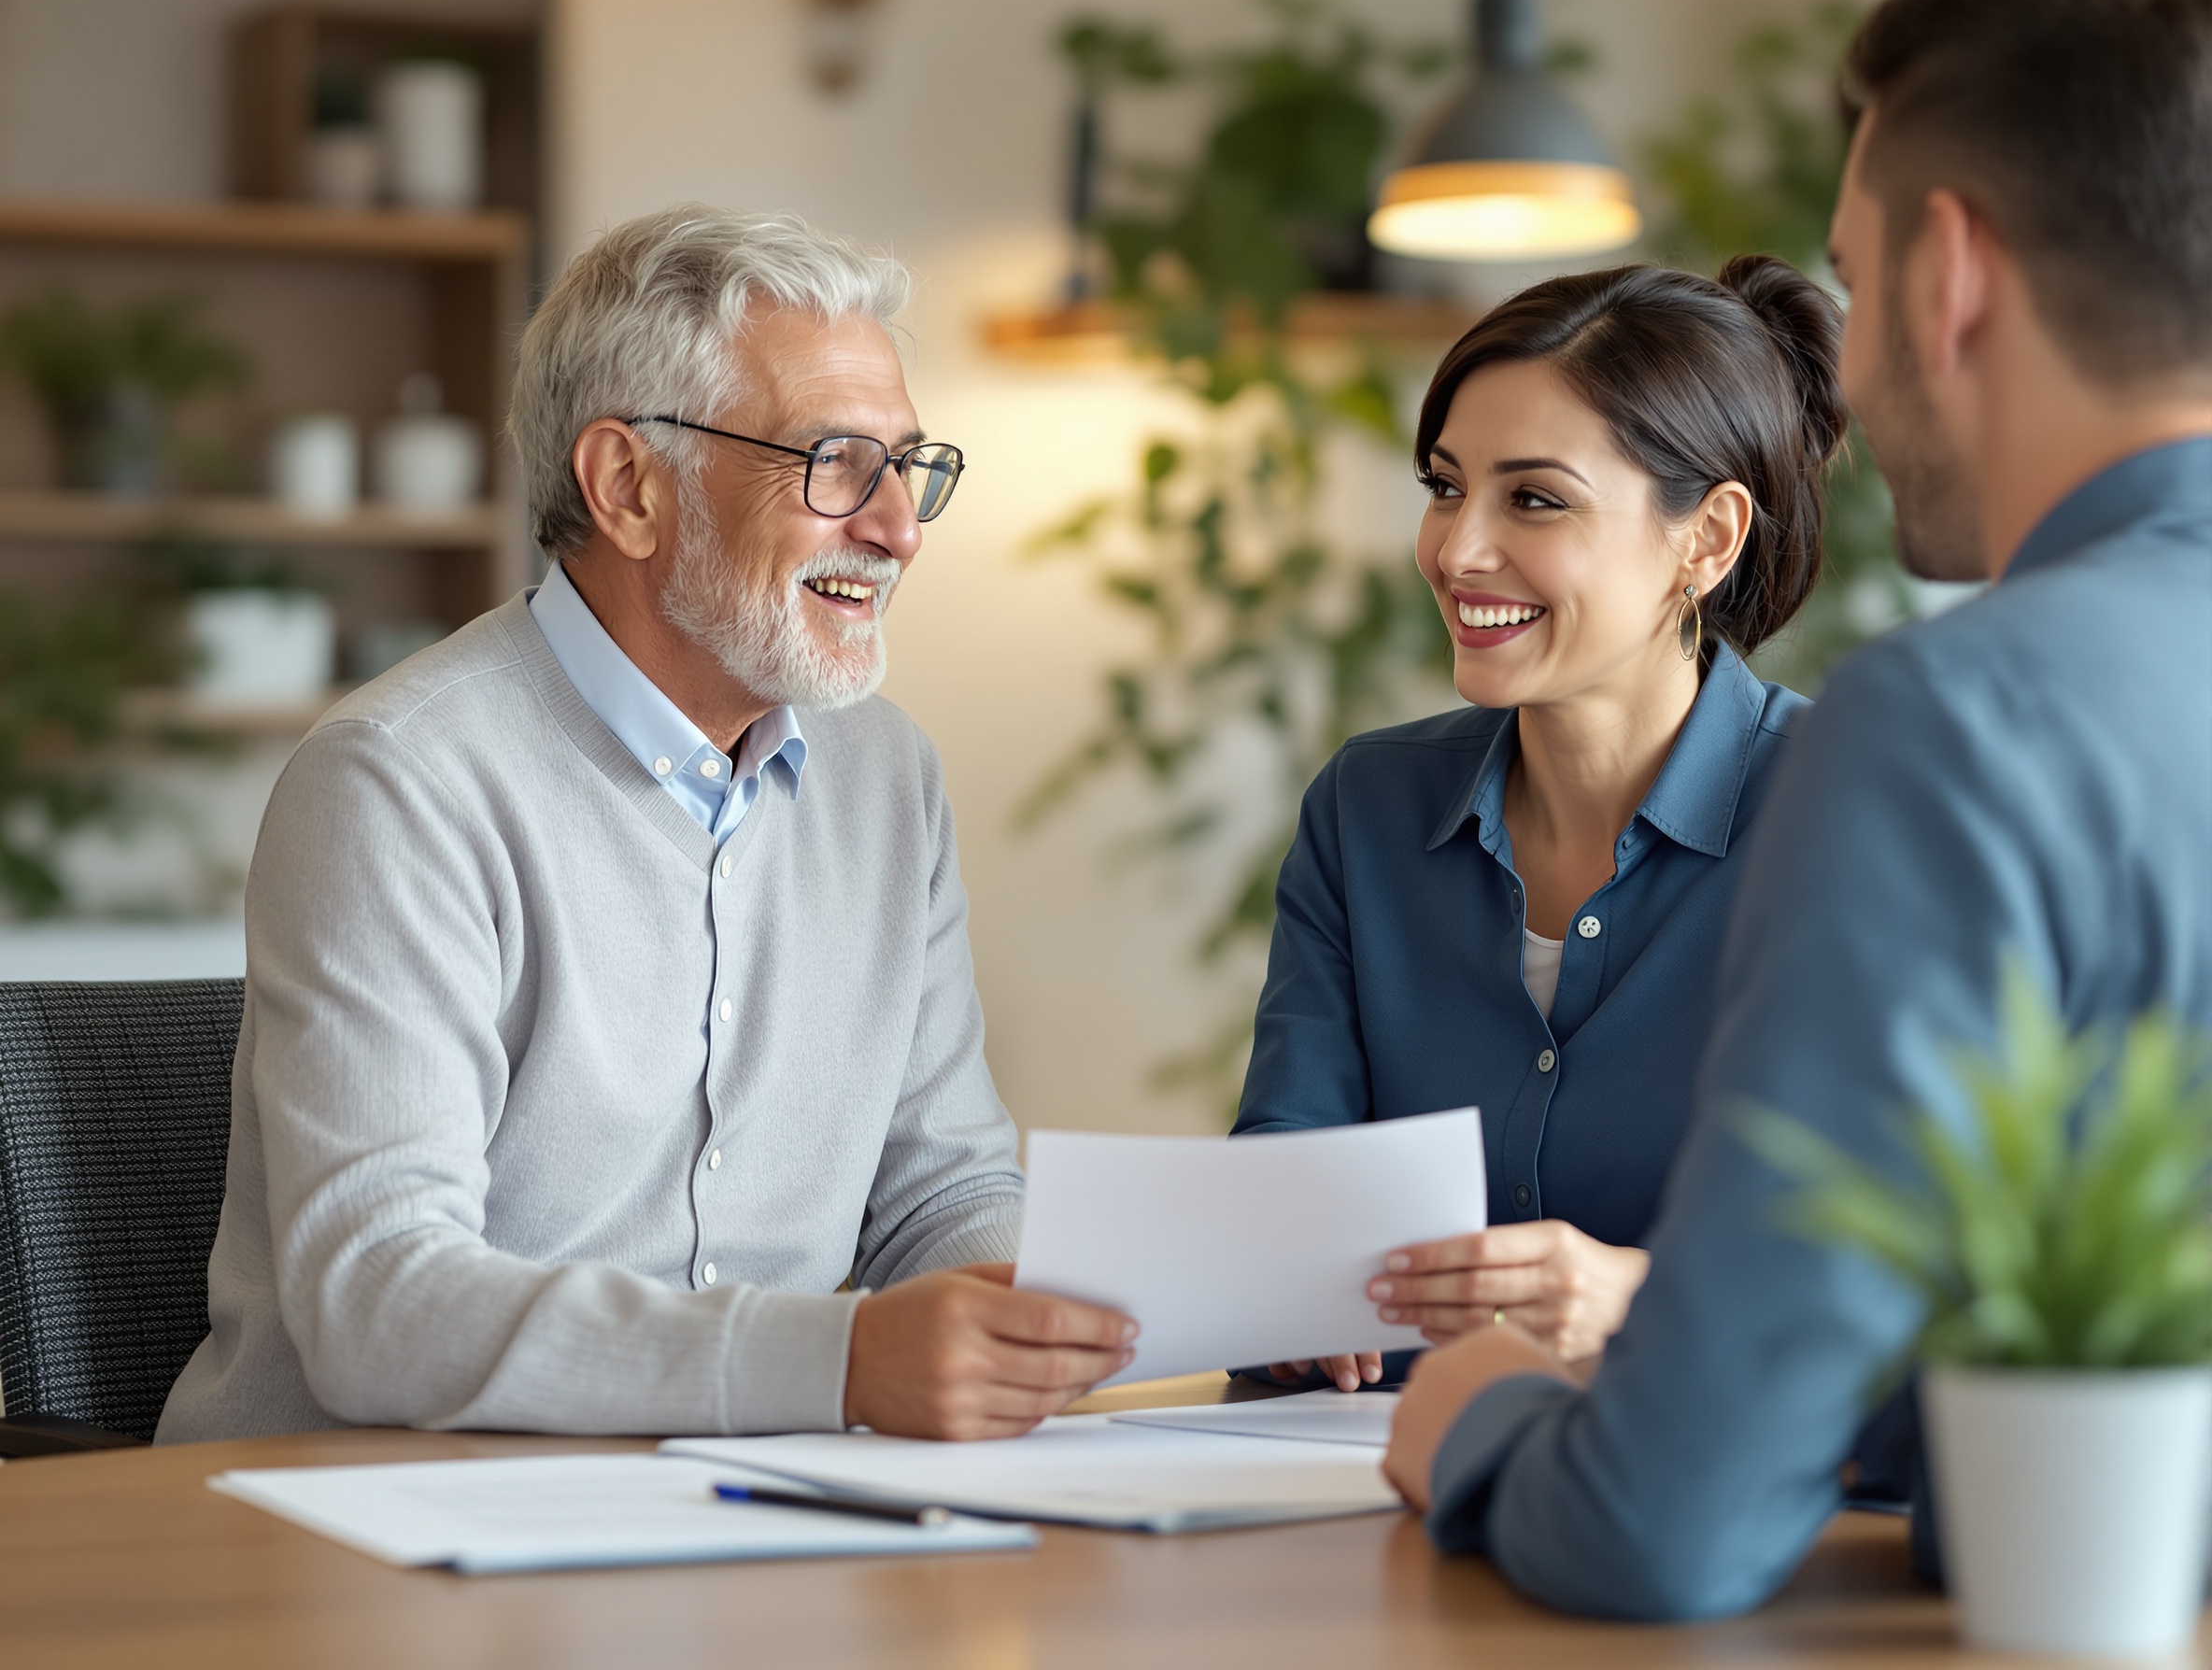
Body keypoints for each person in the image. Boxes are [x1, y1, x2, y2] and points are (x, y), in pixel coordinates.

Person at [1380, 0, 2212, 1619]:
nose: (1846, 368)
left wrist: (1478, 1417)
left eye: (1853, 277)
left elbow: (1660, 1524)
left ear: (1949, 272)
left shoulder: (1957, 723)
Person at [159, 207, 1135, 1445]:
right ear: (628, 488)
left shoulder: (889, 780)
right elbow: (380, 1303)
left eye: (906, 466)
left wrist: (1112, 1321)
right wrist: (837, 1363)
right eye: (836, 462)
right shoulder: (397, 781)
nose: (899, 528)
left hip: (737, 1506)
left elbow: (941, 1197)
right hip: (357, 1520)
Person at [1235, 257, 1847, 1392]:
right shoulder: (1366, 808)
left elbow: (1900, 1245)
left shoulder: (1845, 816)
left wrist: (1637, 1299)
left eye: (1533, 499)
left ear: (1707, 539)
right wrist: (1278, 1275)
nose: (1456, 550)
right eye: (1444, 486)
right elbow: (1289, 1163)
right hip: (1364, 1463)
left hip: (1692, 1467)